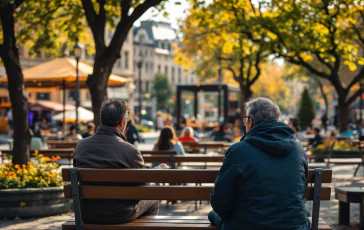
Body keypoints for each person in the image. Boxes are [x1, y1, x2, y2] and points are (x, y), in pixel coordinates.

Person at [208, 97, 309, 230]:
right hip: (294, 226)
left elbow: (220, 204)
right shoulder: (298, 149)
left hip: (247, 225)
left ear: (250, 122)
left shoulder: (238, 151)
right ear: (277, 120)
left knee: (212, 215)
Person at [74, 99, 168, 224]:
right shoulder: (130, 150)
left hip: (87, 213)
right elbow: (144, 185)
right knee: (153, 199)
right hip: (120, 214)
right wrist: (156, 171)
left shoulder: (81, 146)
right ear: (123, 123)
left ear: (102, 120)